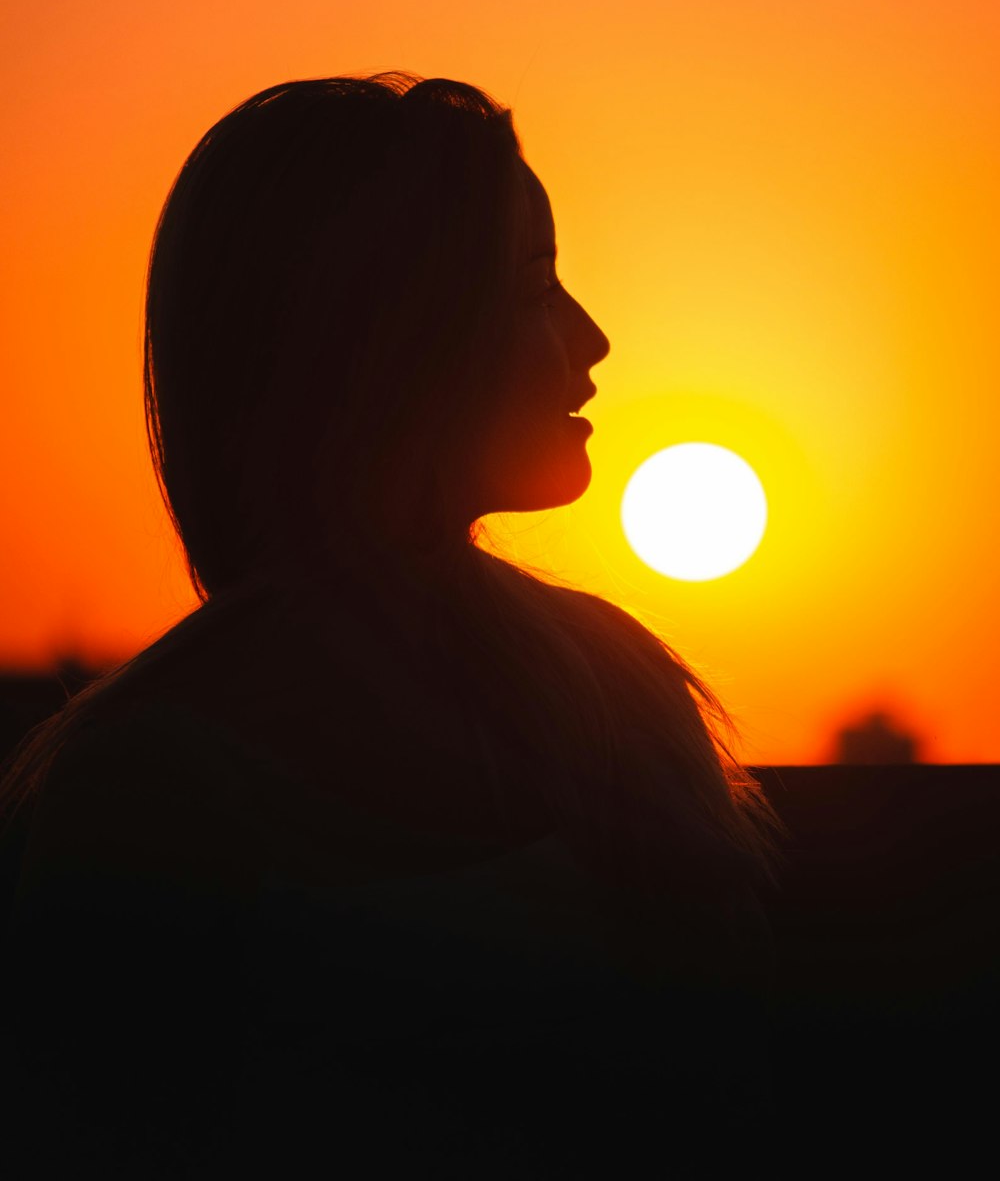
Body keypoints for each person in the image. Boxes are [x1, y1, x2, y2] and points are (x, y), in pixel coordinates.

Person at [0, 73, 779, 1174]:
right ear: (388, 331)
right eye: (532, 285)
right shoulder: (155, 775)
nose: (592, 338)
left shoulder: (617, 689)